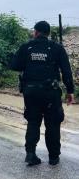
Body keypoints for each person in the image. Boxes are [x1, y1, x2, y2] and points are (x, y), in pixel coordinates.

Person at [11, 21, 75, 166]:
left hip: (31, 92)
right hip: (50, 93)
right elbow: (66, 72)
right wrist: (70, 91)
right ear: (48, 33)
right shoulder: (57, 48)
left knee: (33, 121)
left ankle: (31, 154)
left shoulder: (26, 47)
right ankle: (53, 157)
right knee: (52, 123)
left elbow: (14, 65)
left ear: (36, 32)